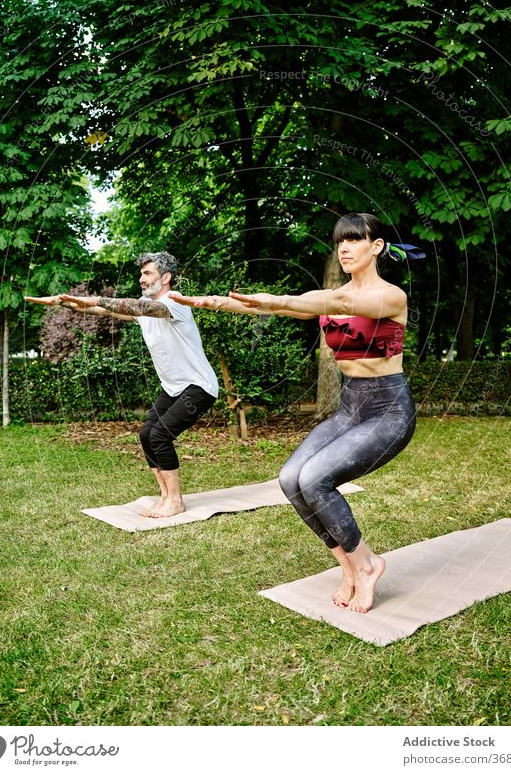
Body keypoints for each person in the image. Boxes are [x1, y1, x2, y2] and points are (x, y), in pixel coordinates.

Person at [168, 214, 423, 613]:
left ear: (376, 247)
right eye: (340, 241)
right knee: (290, 479)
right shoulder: (332, 295)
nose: (344, 248)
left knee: (316, 479)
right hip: (351, 406)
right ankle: (350, 565)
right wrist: (215, 302)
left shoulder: (391, 297)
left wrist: (279, 301)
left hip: (388, 411)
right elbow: (290, 307)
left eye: (355, 240)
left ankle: (369, 564)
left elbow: (332, 300)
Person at [25, 252, 218, 518]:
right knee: (146, 435)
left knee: (160, 435)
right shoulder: (145, 304)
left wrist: (90, 299)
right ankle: (165, 496)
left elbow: (132, 307)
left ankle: (175, 500)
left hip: (198, 387)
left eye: (147, 273)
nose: (141, 279)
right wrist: (65, 302)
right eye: (141, 274)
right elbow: (104, 309)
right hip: (173, 387)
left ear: (166, 277)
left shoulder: (173, 303)